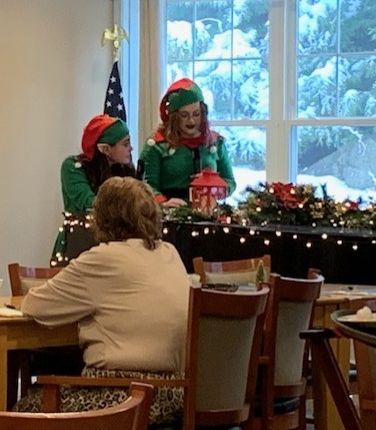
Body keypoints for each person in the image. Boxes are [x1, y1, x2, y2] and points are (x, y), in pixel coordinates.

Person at [16, 176, 189, 425]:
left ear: (103, 218)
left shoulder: (103, 258)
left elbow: (35, 306)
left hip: (123, 395)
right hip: (173, 393)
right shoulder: (169, 253)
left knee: (23, 410)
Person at [140, 78, 236, 207]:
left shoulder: (215, 142)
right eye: (184, 115)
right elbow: (146, 186)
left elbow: (230, 182)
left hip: (207, 211)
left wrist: (214, 189)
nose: (191, 121)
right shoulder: (156, 145)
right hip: (170, 212)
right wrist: (163, 203)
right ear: (174, 117)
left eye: (196, 114)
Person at [52, 114, 134, 264]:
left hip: (114, 246)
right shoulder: (73, 167)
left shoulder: (123, 171)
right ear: (106, 149)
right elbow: (89, 203)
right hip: (79, 243)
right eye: (125, 144)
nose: (131, 148)